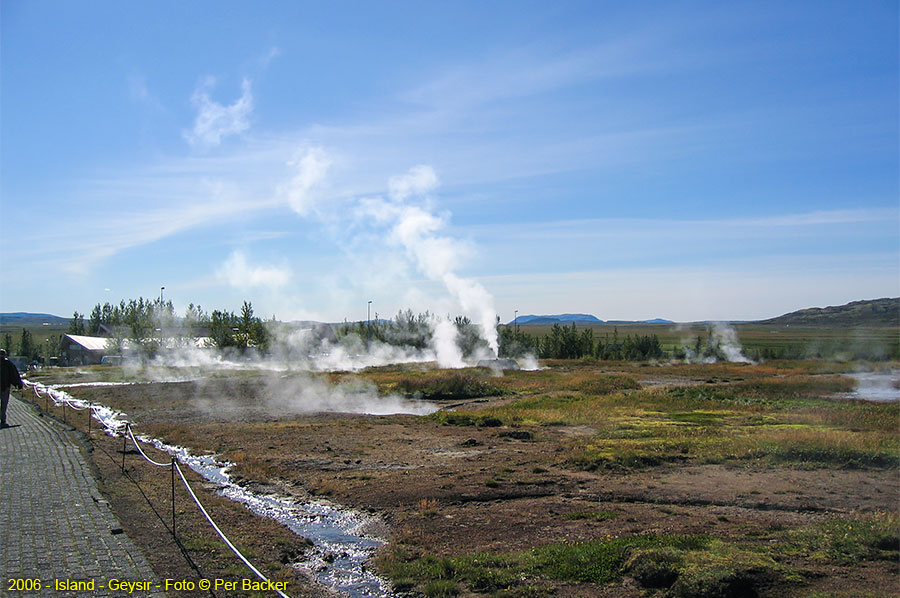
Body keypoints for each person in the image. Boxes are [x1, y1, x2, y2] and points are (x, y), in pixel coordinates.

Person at [1, 348, 24, 428]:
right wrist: (18, 384)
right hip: (5, 387)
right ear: (5, 355)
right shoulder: (8, 364)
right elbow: (14, 375)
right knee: (4, 404)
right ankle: (3, 419)